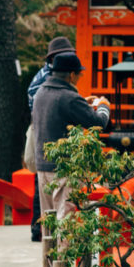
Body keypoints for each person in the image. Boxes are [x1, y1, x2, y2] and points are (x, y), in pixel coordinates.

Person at [31, 51, 110, 223]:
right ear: (72, 75)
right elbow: (98, 122)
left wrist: (82, 103)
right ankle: (63, 252)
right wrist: (104, 105)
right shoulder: (69, 98)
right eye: (79, 74)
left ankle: (48, 251)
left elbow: (58, 112)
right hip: (63, 169)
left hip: (43, 166)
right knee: (65, 221)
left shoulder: (41, 93)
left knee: (49, 220)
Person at [27, 36, 74, 242]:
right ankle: (38, 230)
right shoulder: (47, 78)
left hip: (43, 129)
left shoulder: (47, 74)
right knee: (44, 183)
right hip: (45, 130)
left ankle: (41, 232)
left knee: (43, 182)